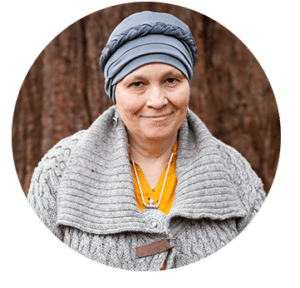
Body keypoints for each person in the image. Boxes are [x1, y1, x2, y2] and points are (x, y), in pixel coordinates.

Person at [27, 11, 266, 272]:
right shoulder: (59, 170)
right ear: (114, 93)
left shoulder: (233, 172)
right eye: (137, 84)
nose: (157, 100)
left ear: (188, 84)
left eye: (171, 80)